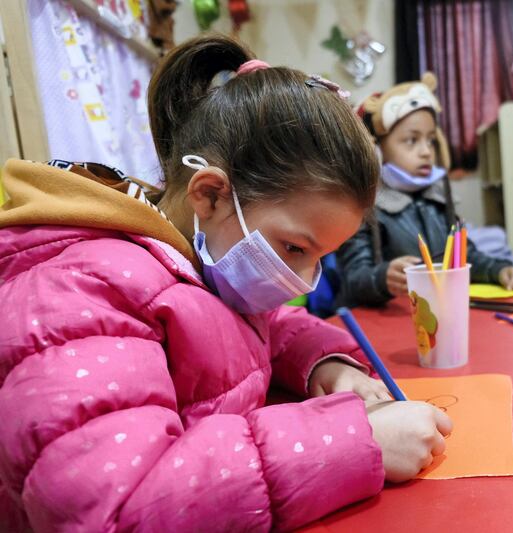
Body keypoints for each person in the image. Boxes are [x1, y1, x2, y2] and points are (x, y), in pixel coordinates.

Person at [0, 35, 452, 532]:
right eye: (296, 249)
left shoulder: (192, 253)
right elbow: (113, 510)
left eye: (319, 257)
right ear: (210, 194)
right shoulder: (79, 291)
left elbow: (257, 329)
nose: (301, 278)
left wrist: (327, 364)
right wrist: (354, 439)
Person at [336, 73, 513, 307]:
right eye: (411, 140)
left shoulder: (438, 199)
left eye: (430, 140)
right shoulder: (364, 209)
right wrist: (382, 278)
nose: (426, 152)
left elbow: (465, 257)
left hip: (436, 314)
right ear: (376, 150)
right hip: (385, 323)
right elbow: (352, 280)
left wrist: (500, 269)